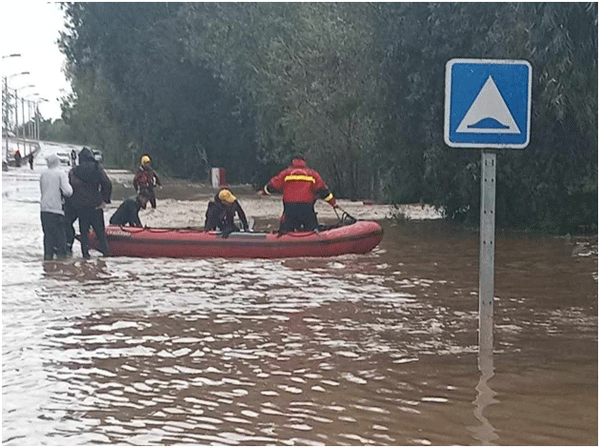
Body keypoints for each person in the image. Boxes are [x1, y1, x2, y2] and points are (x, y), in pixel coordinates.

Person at [262, 155, 338, 233]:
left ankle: (283, 240)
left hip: (290, 209)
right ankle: (313, 241)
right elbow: (323, 191)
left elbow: (272, 185)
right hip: (307, 208)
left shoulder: (285, 174)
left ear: (292, 162)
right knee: (312, 231)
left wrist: (263, 192)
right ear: (304, 162)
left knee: (284, 232)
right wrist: (333, 203)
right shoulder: (312, 174)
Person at [69, 147, 112, 259]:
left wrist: (76, 202)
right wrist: (104, 199)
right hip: (96, 206)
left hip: (82, 207)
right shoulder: (97, 168)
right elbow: (107, 183)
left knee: (84, 234)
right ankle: (105, 258)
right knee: (101, 235)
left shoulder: (75, 171)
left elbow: (70, 187)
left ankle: (85, 258)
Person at [40, 154, 73, 260]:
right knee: (61, 239)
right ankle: (61, 265)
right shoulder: (61, 174)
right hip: (57, 210)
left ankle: (48, 262)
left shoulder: (43, 174)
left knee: (48, 237)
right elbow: (68, 191)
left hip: (44, 210)